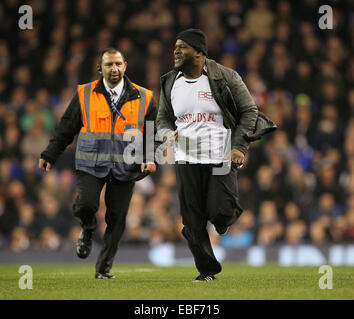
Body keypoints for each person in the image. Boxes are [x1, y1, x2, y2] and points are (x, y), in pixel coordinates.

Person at [156, 29, 276, 281]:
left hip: (221, 155)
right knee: (192, 220)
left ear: (199, 53)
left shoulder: (226, 77)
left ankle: (223, 219)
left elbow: (249, 110)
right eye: (175, 47)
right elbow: (163, 117)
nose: (176, 51)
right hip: (185, 157)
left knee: (221, 211)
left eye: (183, 47)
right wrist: (167, 132)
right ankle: (206, 270)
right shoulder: (169, 81)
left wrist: (239, 147)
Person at [39, 48, 158, 279]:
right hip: (91, 163)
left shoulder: (145, 97)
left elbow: (153, 132)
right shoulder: (84, 93)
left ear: (125, 66)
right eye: (108, 65)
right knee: (85, 205)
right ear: (99, 68)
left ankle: (103, 269)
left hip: (125, 166)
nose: (113, 69)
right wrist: (50, 154)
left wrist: (149, 156)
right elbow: (66, 128)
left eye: (117, 64)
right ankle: (88, 228)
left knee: (116, 220)